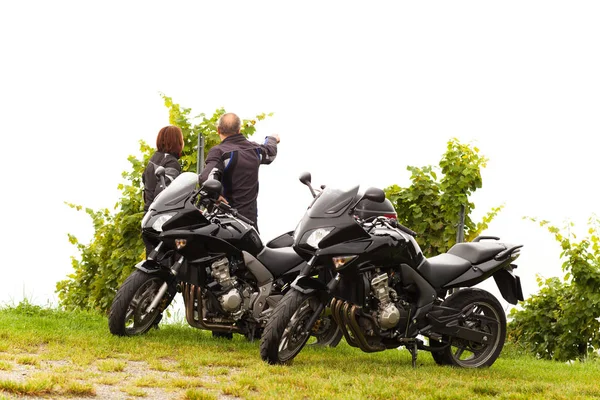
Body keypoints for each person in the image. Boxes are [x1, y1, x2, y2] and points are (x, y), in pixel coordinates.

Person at [199, 113, 279, 232]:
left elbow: (206, 178)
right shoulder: (254, 149)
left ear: (218, 130)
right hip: (249, 224)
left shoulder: (219, 151)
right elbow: (270, 153)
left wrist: (216, 196)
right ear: (239, 129)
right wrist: (272, 138)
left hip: (224, 224)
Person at [142, 125, 184, 212]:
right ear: (177, 142)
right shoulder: (171, 162)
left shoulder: (153, 159)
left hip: (148, 213)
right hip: (161, 216)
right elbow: (163, 193)